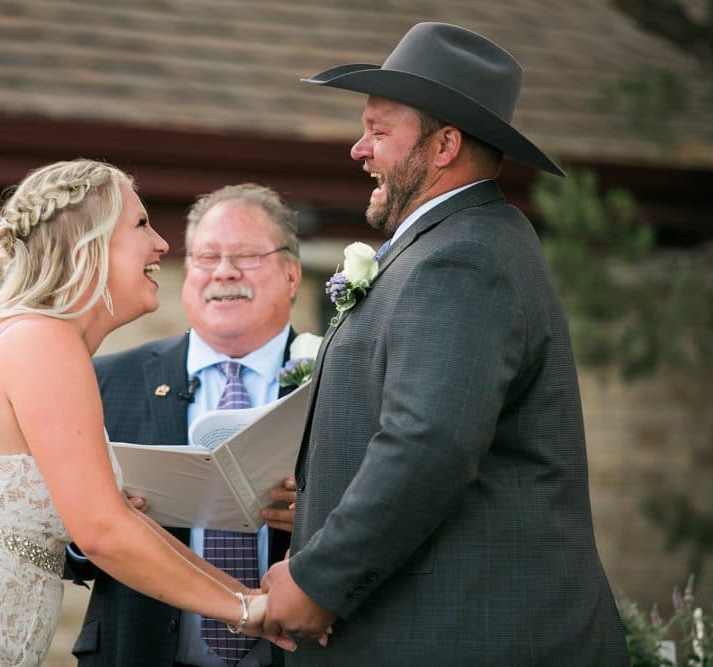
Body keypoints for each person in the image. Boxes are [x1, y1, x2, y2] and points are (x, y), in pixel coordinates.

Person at [260, 22, 630, 666]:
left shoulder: (462, 259)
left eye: (379, 131)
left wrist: (319, 580)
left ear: (443, 147)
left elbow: (429, 443)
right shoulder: (456, 244)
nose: (358, 149)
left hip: (461, 636)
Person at [0, 160, 293, 665]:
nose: (162, 244)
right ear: (88, 246)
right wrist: (246, 609)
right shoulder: (45, 343)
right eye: (140, 224)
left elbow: (113, 523)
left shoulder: (39, 338)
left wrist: (248, 601)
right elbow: (103, 532)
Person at [68, 183, 306, 667]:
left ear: (291, 274)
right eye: (206, 256)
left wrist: (320, 517)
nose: (224, 272)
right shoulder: (104, 379)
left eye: (246, 256)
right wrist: (91, 526)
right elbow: (63, 542)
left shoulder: (335, 380)